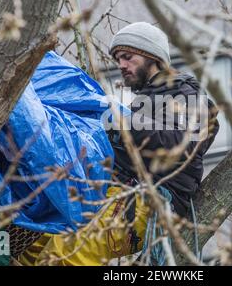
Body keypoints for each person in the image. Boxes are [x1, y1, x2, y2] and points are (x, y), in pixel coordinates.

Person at [19, 22, 219, 266]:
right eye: (118, 59)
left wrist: (123, 121)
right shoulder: (144, 102)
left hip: (147, 200)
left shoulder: (187, 96)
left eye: (128, 57)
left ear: (152, 56)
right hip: (111, 192)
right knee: (33, 248)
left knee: (64, 257)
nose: (121, 66)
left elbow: (181, 145)